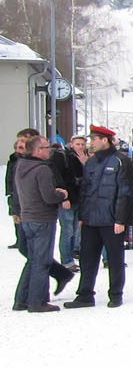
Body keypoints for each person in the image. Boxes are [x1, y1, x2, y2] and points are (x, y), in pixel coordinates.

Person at [65, 125, 133, 310]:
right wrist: (82, 216)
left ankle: (116, 294)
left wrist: (121, 219)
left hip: (111, 220)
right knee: (87, 259)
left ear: (105, 140)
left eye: (94, 139)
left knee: (114, 259)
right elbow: (85, 191)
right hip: (90, 219)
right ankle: (85, 295)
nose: (91, 143)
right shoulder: (91, 162)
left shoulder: (121, 161)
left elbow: (125, 193)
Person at [12, 134, 71, 313]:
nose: (50, 151)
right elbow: (48, 197)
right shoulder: (42, 169)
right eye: (46, 147)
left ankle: (21, 300)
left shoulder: (21, 165)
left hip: (28, 218)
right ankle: (37, 301)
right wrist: (62, 194)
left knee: (33, 260)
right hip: (42, 219)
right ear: (37, 150)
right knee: (41, 262)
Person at [57, 134, 89, 269]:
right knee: (67, 230)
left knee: (75, 231)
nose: (80, 147)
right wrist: (64, 198)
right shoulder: (64, 157)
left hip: (79, 199)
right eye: (78, 144)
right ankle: (66, 260)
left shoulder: (86, 158)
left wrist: (86, 164)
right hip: (68, 199)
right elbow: (60, 178)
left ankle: (70, 258)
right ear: (71, 144)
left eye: (82, 144)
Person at [6, 128, 40, 251]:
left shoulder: (41, 162)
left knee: (36, 249)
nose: (19, 144)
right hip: (21, 207)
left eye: (22, 140)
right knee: (25, 247)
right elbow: (14, 184)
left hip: (37, 213)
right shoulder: (16, 161)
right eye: (18, 141)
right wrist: (14, 208)